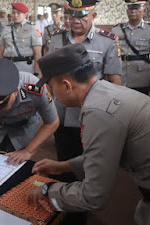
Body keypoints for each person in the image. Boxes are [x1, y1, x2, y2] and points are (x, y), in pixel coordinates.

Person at [27, 43, 150, 225]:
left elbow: (94, 196)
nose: (52, 94)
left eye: (51, 87)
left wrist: (48, 190)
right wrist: (63, 166)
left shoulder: (98, 112)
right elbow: (104, 155)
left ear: (67, 85)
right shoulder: (107, 92)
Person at [49, 0, 122, 164]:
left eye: (82, 16)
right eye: (72, 15)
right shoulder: (56, 38)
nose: (75, 20)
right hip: (61, 110)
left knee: (90, 160)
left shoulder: (107, 41)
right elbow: (49, 74)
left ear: (93, 15)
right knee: (63, 154)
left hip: (90, 113)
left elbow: (114, 82)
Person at [0, 59, 59, 165]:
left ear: (15, 92)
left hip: (24, 131)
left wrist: (28, 151)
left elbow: (52, 122)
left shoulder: (34, 87)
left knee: (20, 167)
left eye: (3, 105)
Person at [112, 0, 150, 95]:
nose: (133, 11)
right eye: (130, 8)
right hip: (121, 76)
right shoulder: (116, 29)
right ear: (127, 11)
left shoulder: (148, 30)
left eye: (137, 8)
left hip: (141, 77)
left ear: (144, 10)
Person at [0, 2, 42, 75]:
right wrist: (0, 67)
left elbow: (37, 53)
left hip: (25, 68)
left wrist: (36, 72)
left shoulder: (32, 28)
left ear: (25, 15)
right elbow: (1, 52)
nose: (15, 15)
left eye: (18, 13)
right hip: (7, 66)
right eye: (13, 13)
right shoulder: (6, 28)